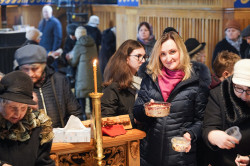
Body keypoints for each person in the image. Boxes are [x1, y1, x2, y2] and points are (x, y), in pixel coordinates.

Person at [133, 31, 210, 166]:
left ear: (181, 51)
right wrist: (147, 109)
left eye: (172, 52)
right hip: (150, 154)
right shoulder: (150, 78)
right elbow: (137, 113)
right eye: (163, 54)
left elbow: (202, 120)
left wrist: (190, 134)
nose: (168, 58)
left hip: (180, 157)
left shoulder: (196, 81)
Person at [14, 44, 83, 128]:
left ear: (43, 66)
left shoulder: (59, 81)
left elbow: (75, 113)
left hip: (60, 137)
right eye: (25, 69)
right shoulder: (14, 86)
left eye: (35, 69)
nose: (30, 74)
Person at [0, 71, 54, 166]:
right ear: (1, 103)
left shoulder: (38, 126)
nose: (18, 114)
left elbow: (44, 162)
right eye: (12, 108)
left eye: (23, 108)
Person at [202, 59, 250, 165]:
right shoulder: (220, 95)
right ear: (233, 83)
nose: (244, 95)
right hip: (223, 160)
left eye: (249, 90)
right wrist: (213, 135)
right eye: (239, 88)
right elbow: (209, 127)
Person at [101, 39, 146, 126]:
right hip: (125, 137)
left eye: (144, 57)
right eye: (138, 56)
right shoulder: (113, 87)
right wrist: (134, 119)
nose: (143, 60)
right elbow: (106, 120)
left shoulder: (144, 81)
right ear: (126, 58)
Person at [67, 26, 101, 120]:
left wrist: (68, 59)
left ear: (77, 35)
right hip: (93, 73)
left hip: (83, 74)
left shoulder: (78, 44)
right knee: (91, 95)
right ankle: (93, 118)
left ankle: (83, 117)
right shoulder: (93, 43)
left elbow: (74, 62)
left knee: (81, 96)